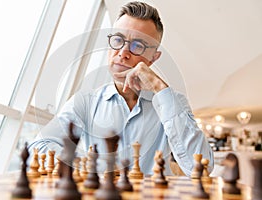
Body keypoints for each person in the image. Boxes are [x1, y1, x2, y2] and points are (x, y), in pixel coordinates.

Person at [29, 1, 214, 176]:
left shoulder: (173, 102)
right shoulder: (85, 102)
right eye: (118, 40)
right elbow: (38, 147)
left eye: (137, 45)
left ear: (153, 58)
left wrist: (160, 87)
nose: (123, 53)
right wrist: (86, 165)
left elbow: (201, 168)